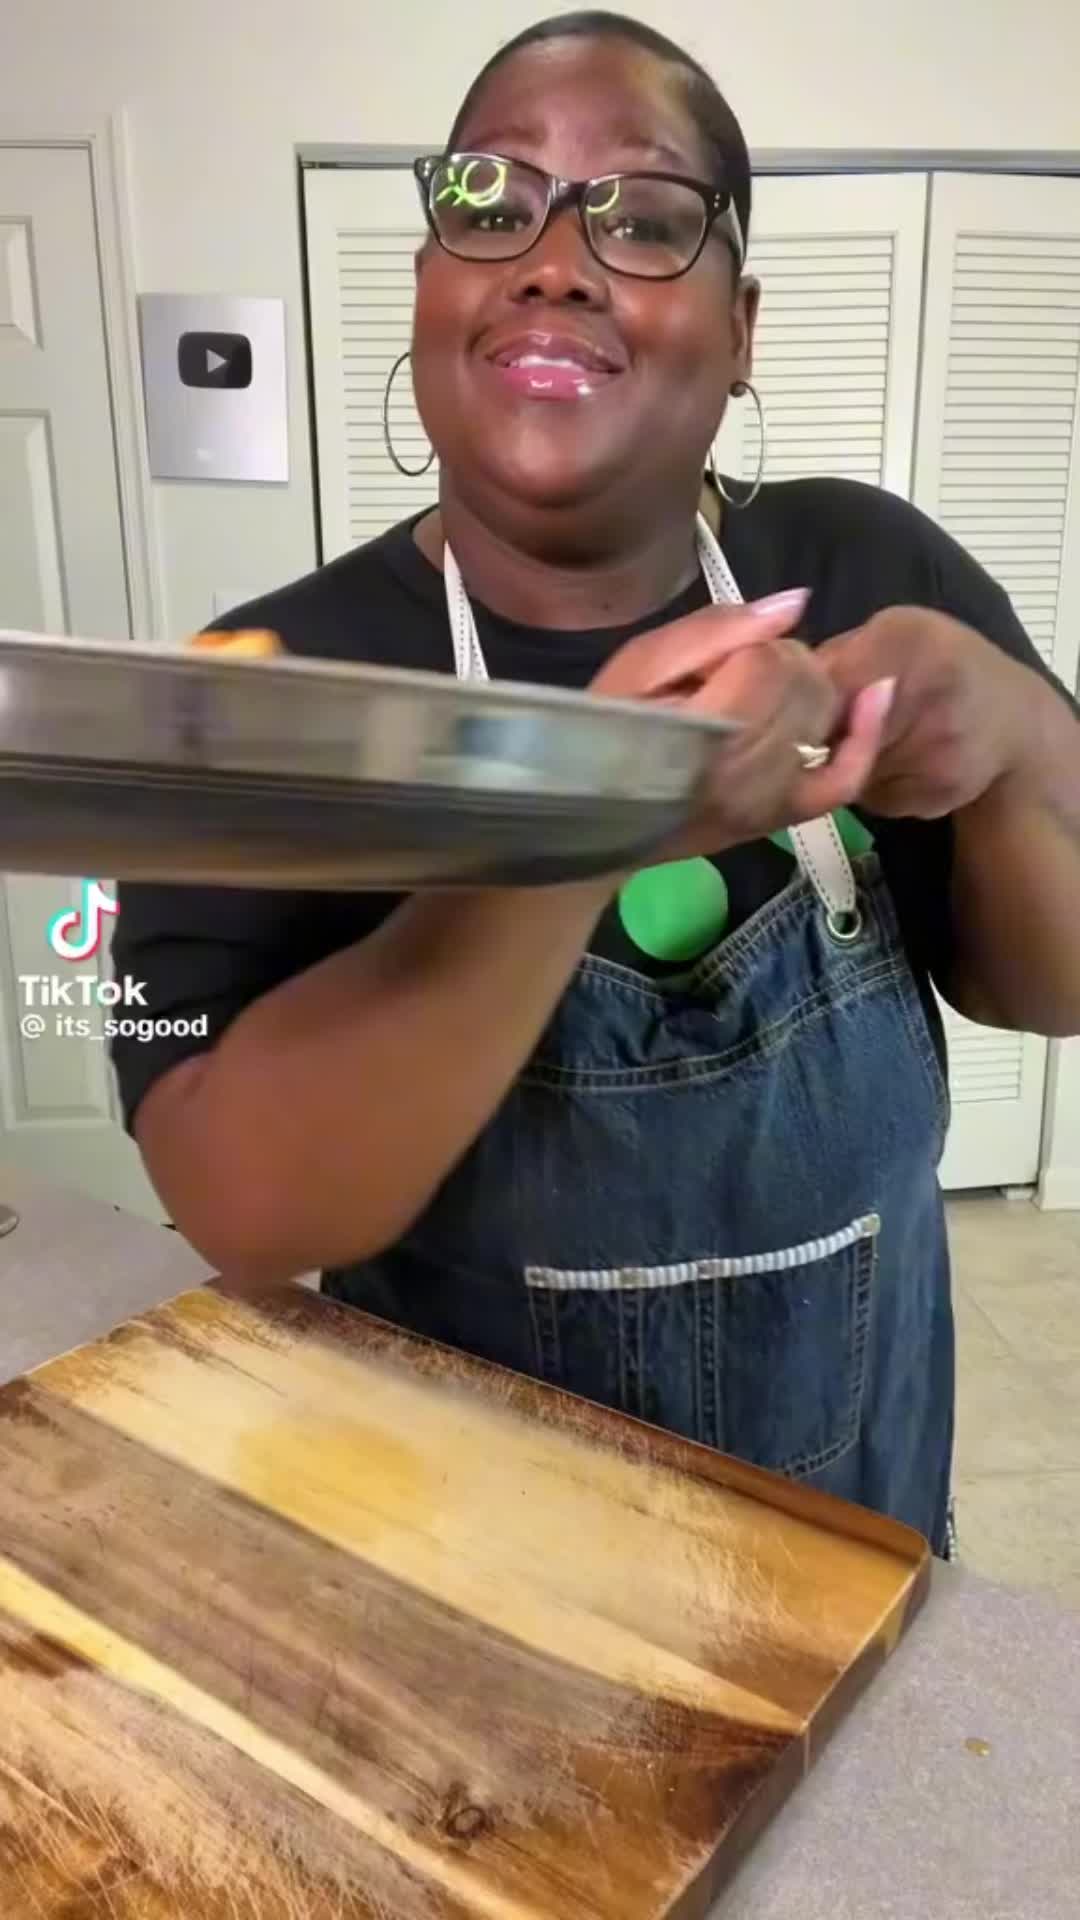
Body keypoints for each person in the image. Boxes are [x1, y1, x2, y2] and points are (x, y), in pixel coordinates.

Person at [110, 10, 1080, 1558]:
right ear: (429, 284)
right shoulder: (266, 691)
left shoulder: (865, 572)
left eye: (643, 216)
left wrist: (1024, 739)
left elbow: (1050, 986)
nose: (554, 256)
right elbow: (239, 1202)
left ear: (743, 323)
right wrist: (577, 825)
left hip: (863, 1562)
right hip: (472, 1601)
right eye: (489, 199)